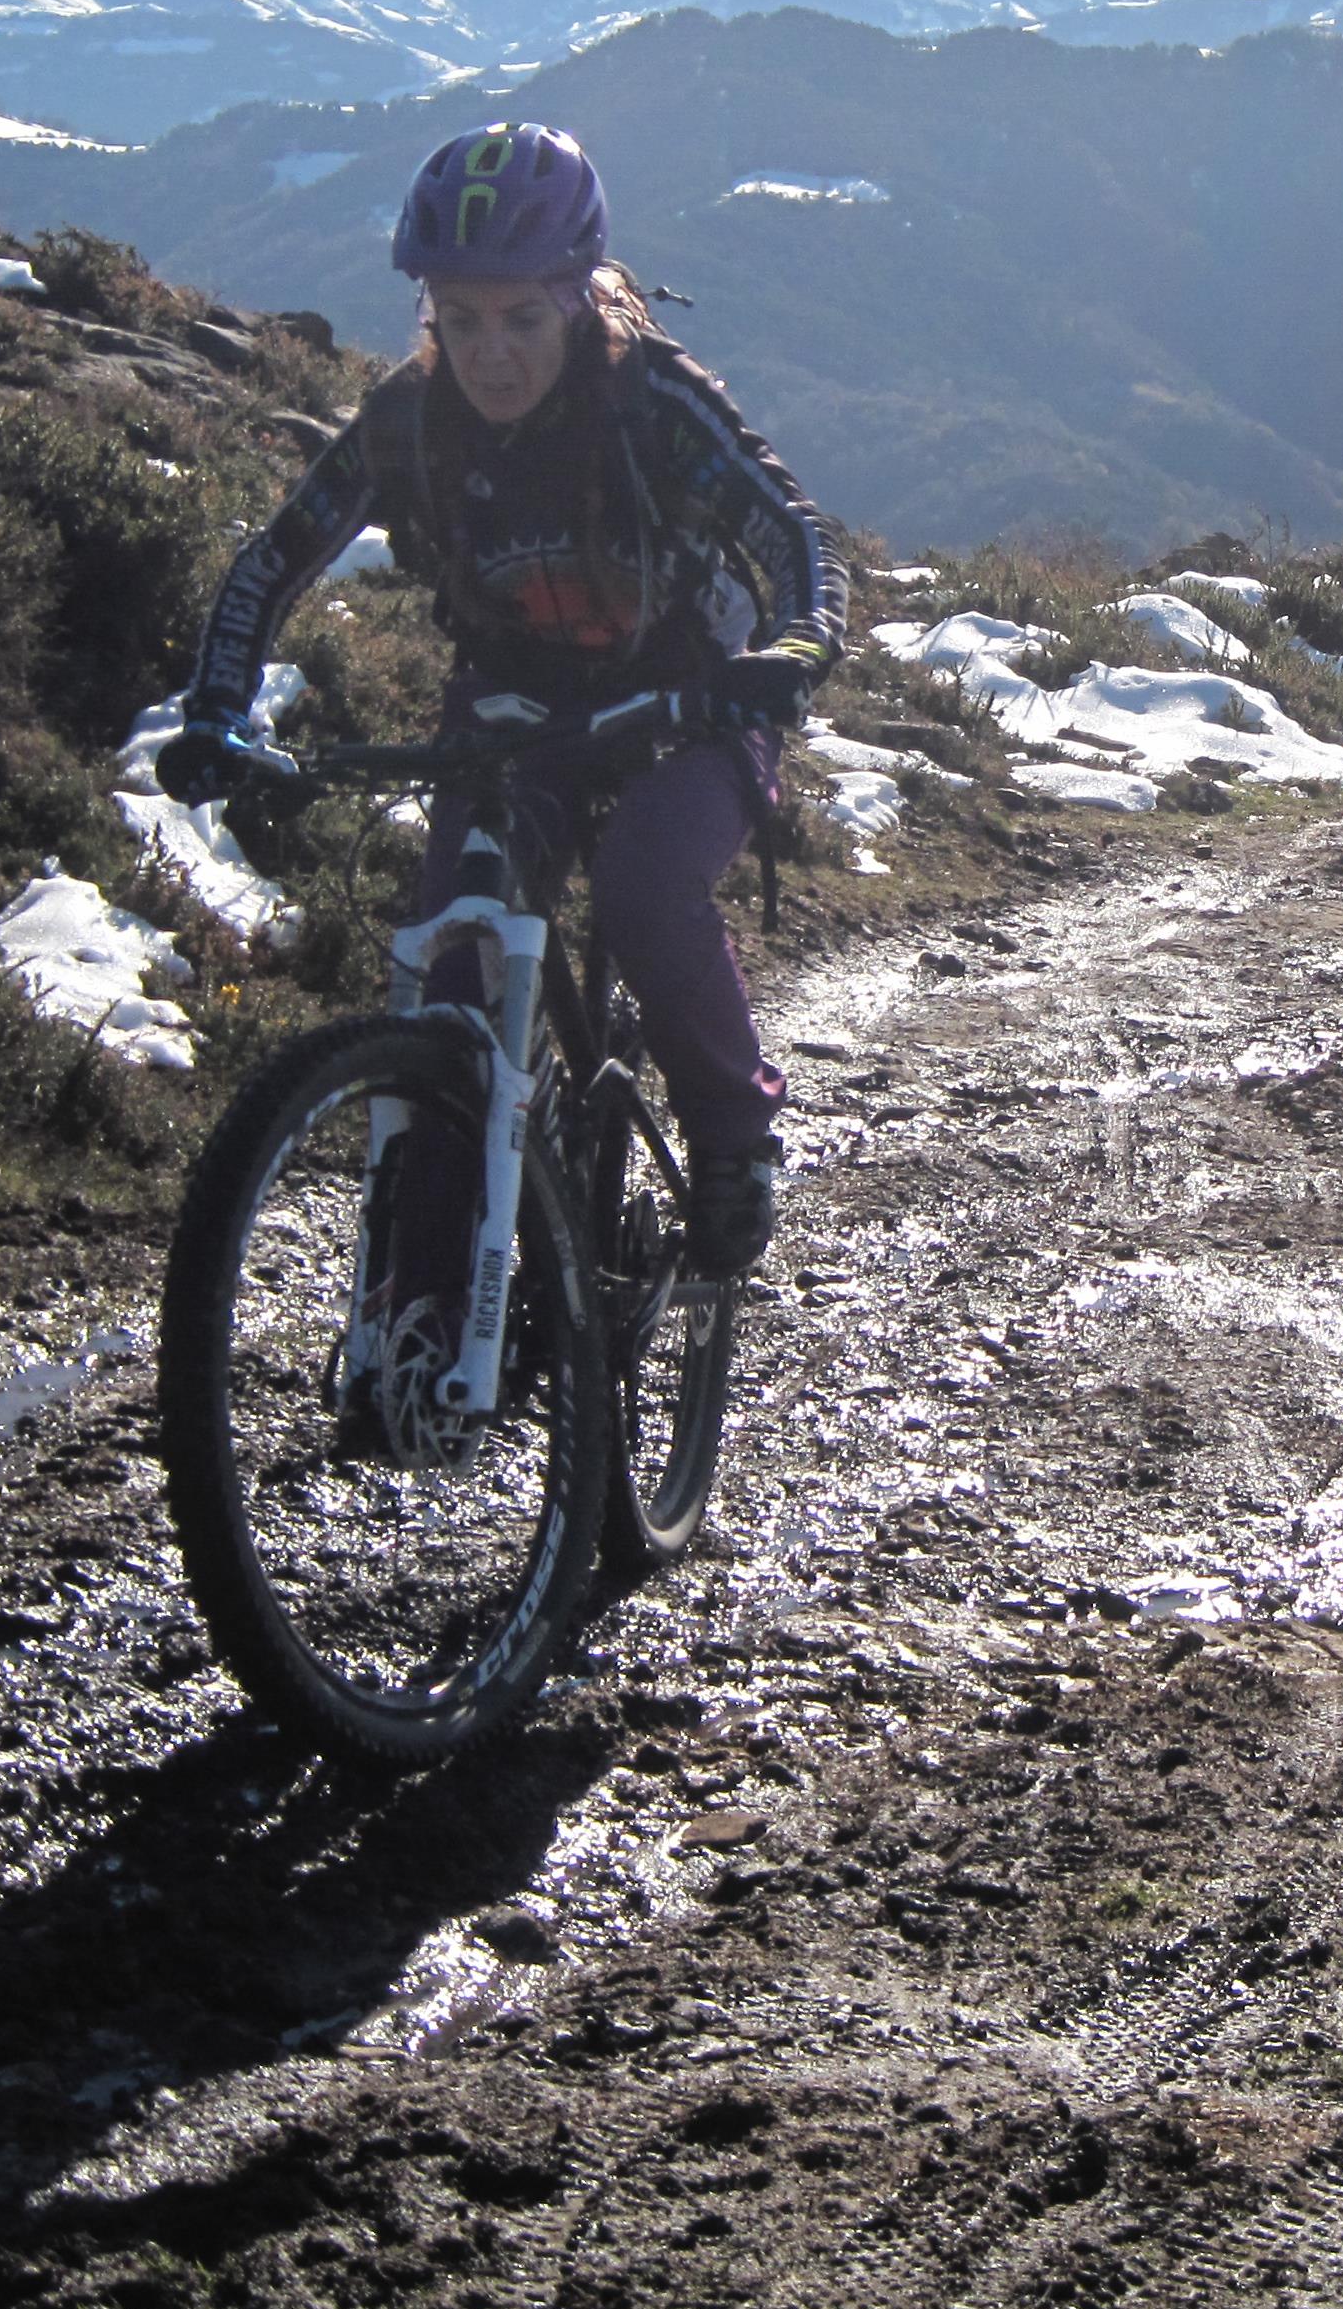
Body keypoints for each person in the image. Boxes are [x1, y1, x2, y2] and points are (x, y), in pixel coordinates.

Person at [153, 121, 840, 1420]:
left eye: (522, 317)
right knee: (452, 976)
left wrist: (796, 649)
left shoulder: (653, 399)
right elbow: (273, 560)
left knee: (643, 890)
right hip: (517, 705)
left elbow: (788, 529)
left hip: (693, 694)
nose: (492, 352)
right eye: (459, 320)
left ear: (579, 295)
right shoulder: (412, 420)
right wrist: (217, 712)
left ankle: (734, 1137)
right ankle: (420, 1326)